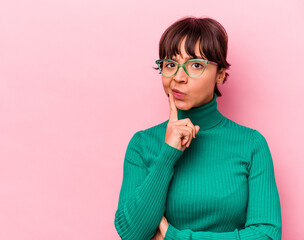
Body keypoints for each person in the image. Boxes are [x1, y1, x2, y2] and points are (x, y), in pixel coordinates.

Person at [114, 16, 282, 240]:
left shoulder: (251, 144)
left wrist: (175, 237)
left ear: (220, 74)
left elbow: (267, 235)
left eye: (195, 65)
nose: (179, 77)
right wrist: (168, 153)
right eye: (170, 65)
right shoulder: (142, 144)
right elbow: (132, 234)